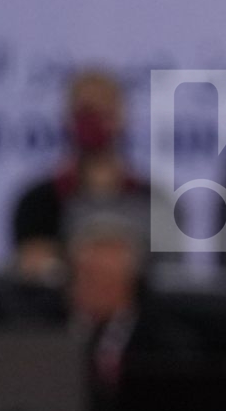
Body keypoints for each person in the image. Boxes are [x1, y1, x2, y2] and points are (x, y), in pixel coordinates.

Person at [67, 212, 226, 411]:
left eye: (103, 279)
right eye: (84, 276)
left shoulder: (165, 343)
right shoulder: (54, 329)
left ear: (130, 282)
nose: (89, 288)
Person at [11, 68, 149, 281]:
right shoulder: (38, 203)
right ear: (68, 119)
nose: (93, 122)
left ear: (122, 117)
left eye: (104, 112)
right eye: (85, 113)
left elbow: (168, 278)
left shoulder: (153, 201)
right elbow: (31, 276)